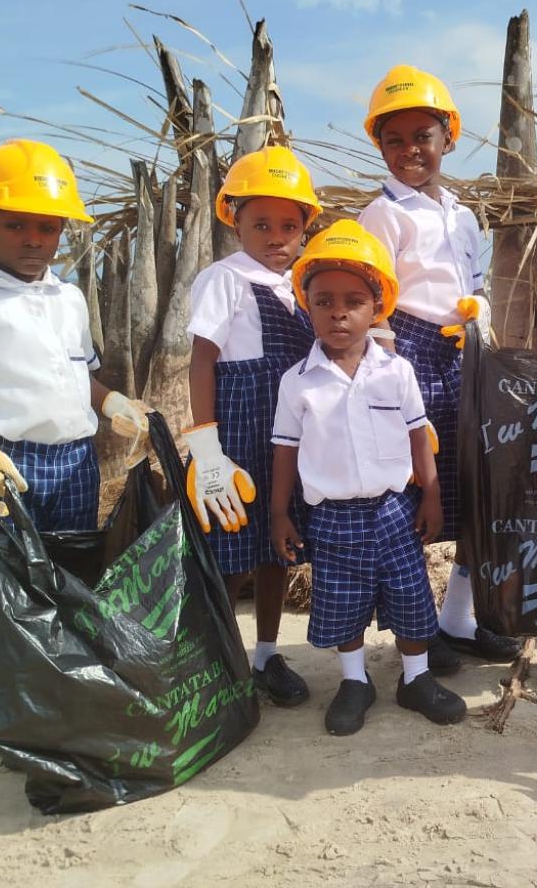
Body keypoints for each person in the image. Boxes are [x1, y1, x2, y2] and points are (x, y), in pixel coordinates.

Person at [0, 139, 149, 593]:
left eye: (47, 227)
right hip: (4, 461)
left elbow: (82, 374)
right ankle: (7, 667)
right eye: (15, 225)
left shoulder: (70, 299)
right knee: (5, 583)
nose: (34, 239)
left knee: (71, 576)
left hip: (77, 462)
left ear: (63, 229)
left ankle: (60, 665)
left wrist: (114, 404)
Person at [270, 221, 468, 736]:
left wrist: (431, 495)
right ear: (306, 306)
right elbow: (285, 452)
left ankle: (415, 678)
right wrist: (278, 515)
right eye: (324, 301)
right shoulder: (296, 384)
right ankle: (355, 681)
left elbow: (419, 435)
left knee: (410, 596)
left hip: (394, 510)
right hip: (331, 517)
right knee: (342, 603)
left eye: (354, 300)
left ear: (377, 308)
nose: (339, 312)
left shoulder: (396, 372)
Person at [357, 65, 521, 675]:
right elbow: (375, 300)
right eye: (394, 140)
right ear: (379, 146)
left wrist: (481, 325)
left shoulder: (461, 214)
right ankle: (416, 629)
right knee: (412, 485)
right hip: (411, 352)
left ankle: (458, 619)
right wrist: (388, 373)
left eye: (422, 136)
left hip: (464, 351)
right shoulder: (383, 214)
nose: (409, 151)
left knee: (471, 486)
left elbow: (473, 284)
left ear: (448, 137)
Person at [184, 146, 321, 708]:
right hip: (238, 430)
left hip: (288, 435)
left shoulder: (303, 287)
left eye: (289, 225)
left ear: (306, 230)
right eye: (260, 223)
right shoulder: (225, 279)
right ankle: (209, 659)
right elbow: (201, 361)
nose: (275, 236)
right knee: (226, 553)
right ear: (233, 219)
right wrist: (207, 451)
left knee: (274, 549)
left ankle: (266, 653)